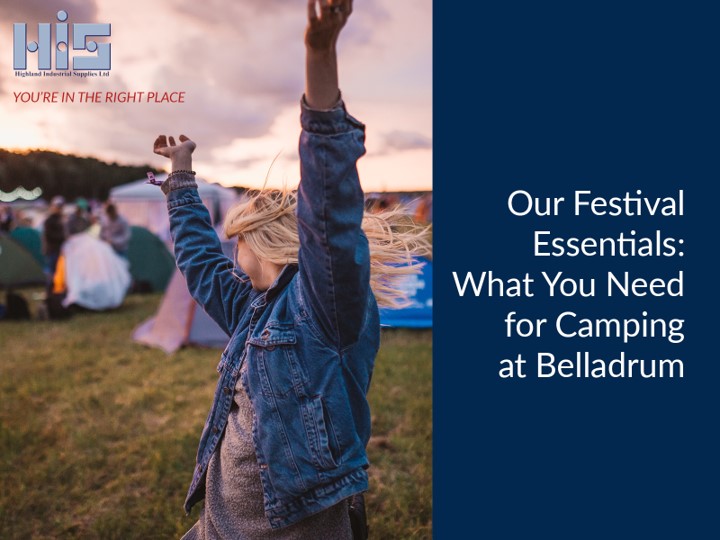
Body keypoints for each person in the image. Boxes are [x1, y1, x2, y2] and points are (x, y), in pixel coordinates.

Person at [153, 1, 429, 537]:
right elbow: (200, 263)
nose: (232, 250)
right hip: (224, 524)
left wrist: (319, 57)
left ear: (269, 243)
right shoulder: (255, 307)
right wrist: (181, 178)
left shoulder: (321, 312)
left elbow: (329, 212)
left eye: (239, 238)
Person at [42, 196, 66, 282]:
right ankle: (49, 288)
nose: (60, 209)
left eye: (61, 207)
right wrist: (63, 237)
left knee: (58, 270)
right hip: (52, 249)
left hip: (59, 249)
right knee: (51, 270)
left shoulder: (61, 219)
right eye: (58, 207)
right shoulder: (50, 220)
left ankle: (55, 288)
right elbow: (49, 235)